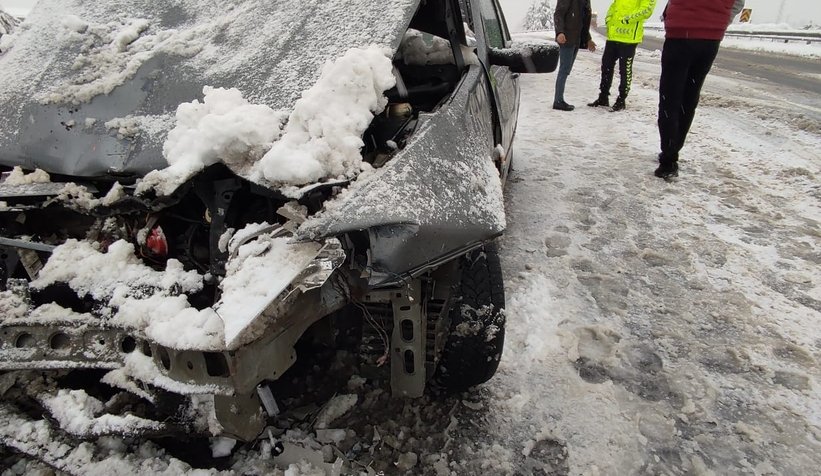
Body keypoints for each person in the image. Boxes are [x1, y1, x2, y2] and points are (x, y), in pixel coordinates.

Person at [654, 0, 745, 179]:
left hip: (680, 33)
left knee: (670, 97)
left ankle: (669, 157)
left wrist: (670, 15)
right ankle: (673, 151)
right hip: (710, 38)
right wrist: (719, 22)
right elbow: (738, 2)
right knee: (689, 96)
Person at [588, 0, 656, 112]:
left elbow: (647, 10)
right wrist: (609, 19)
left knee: (625, 70)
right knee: (606, 67)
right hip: (613, 37)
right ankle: (603, 96)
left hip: (629, 39)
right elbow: (614, 6)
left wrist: (628, 19)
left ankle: (621, 99)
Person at [553, 0, 596, 111]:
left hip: (576, 40)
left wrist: (588, 39)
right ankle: (558, 101)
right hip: (566, 39)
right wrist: (560, 32)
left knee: (566, 70)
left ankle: (559, 99)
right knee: (564, 70)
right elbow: (558, 14)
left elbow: (582, 23)